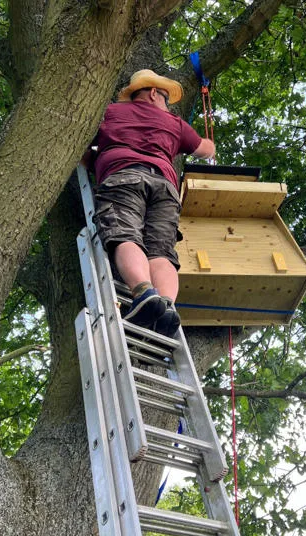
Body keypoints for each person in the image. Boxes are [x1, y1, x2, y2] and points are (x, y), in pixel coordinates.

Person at [85, 69, 215, 337]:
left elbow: (80, 146)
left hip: (124, 176)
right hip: (165, 188)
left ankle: (144, 292)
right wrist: (210, 141)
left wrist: (96, 164)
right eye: (165, 98)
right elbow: (205, 149)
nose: (167, 104)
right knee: (161, 251)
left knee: (124, 234)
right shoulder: (174, 123)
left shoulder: (110, 112)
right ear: (153, 93)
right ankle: (167, 306)